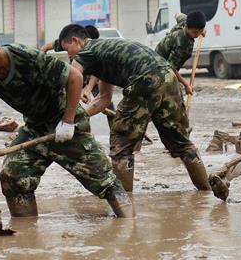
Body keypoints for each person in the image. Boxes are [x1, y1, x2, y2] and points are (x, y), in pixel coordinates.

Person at [0, 23, 133, 217]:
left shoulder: (26, 57)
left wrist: (68, 120)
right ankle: (25, 235)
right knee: (13, 176)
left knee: (104, 180)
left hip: (66, 124)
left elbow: (75, 78)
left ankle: (130, 227)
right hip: (35, 128)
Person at [58, 24, 211, 193]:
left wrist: (67, 119)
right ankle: (208, 192)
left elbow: (73, 79)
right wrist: (80, 116)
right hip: (167, 76)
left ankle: (123, 203)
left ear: (76, 40)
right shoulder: (104, 52)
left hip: (145, 78)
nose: (69, 56)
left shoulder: (86, 50)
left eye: (67, 49)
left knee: (121, 145)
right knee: (181, 142)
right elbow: (103, 100)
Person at [155, 11, 206, 97]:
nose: (197, 35)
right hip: (159, 69)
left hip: (165, 65)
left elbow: (177, 14)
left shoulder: (185, 20)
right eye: (195, 32)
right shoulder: (181, 43)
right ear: (187, 27)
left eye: (199, 32)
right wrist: (186, 85)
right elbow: (171, 69)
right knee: (173, 96)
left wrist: (202, 31)